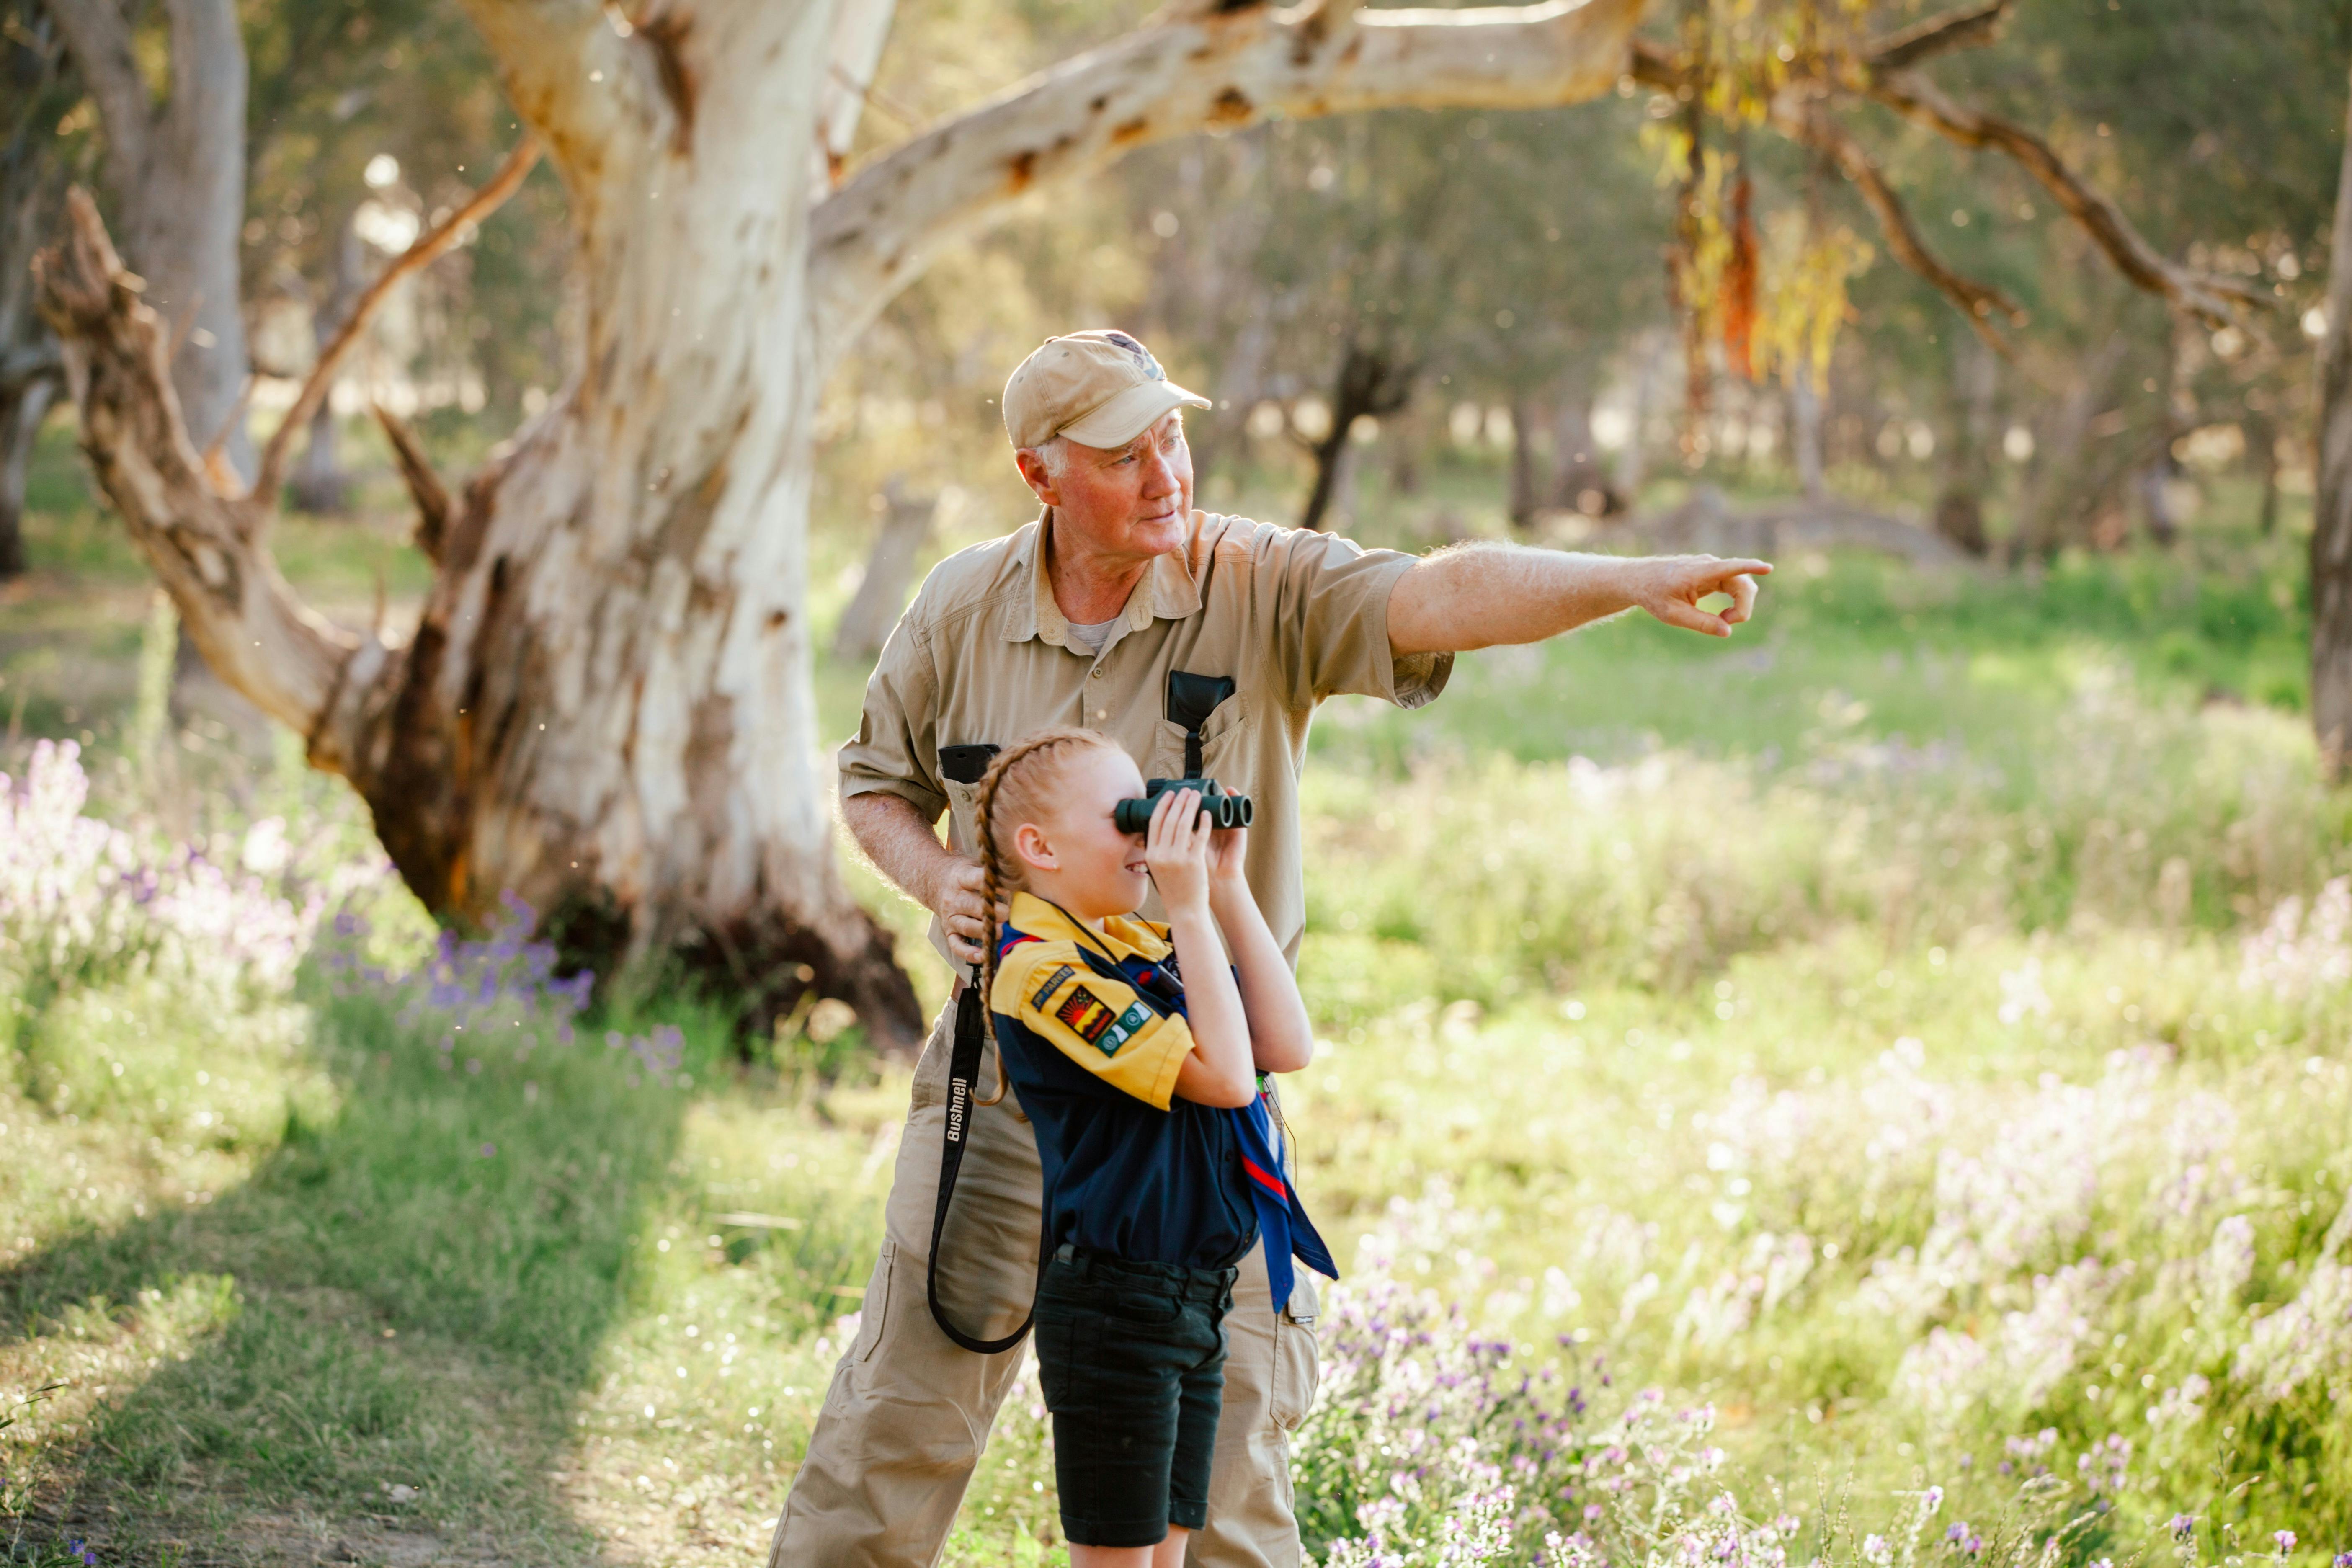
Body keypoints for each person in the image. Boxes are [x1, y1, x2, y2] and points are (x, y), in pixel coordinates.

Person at [766, 327, 1768, 1568]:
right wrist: (938, 881)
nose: (1164, 472)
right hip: (1009, 1088)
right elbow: (874, 786)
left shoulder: (1264, 579)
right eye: (1123, 454)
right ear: (1041, 477)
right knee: (895, 1431)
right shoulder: (959, 604)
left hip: (1203, 1103)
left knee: (1231, 1477)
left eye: (1171, 436)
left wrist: (1629, 578)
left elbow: (1439, 594)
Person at [970, 726, 1329, 1565]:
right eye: (1127, 819)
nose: (1147, 837)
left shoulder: (1133, 947)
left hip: (1193, 1299)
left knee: (1167, 1555)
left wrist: (1227, 886)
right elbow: (1229, 1080)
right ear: (1040, 847)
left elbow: (1284, 1045)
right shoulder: (1042, 973)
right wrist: (1191, 911)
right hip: (1115, 1308)